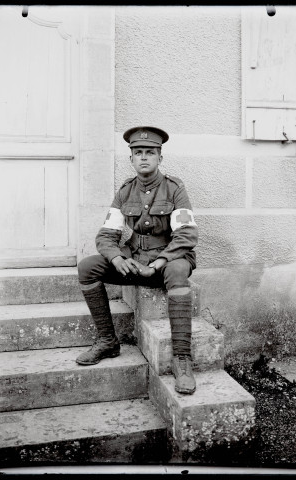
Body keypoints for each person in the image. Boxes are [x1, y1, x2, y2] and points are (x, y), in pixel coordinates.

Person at [76, 126, 198, 394]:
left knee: (178, 272)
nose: (144, 157)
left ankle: (182, 359)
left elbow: (186, 235)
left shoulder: (175, 188)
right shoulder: (125, 192)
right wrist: (118, 258)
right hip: (135, 261)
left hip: (168, 261)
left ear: (160, 158)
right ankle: (108, 341)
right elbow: (106, 235)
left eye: (150, 153)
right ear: (131, 159)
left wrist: (159, 262)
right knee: (87, 267)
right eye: (138, 153)